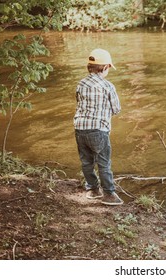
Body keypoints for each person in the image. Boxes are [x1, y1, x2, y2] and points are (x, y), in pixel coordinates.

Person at [74, 48, 123, 206]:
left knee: (86, 161)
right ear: (105, 68)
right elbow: (116, 109)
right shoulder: (108, 86)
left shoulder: (81, 83)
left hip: (80, 128)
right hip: (99, 130)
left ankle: (93, 190)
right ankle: (108, 194)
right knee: (104, 162)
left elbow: (79, 102)